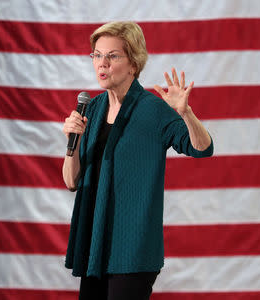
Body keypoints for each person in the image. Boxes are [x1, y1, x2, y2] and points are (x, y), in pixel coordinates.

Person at [62, 21, 213, 300]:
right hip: (95, 243)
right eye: (97, 55)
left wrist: (186, 113)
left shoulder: (153, 110)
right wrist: (74, 142)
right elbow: (72, 181)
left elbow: (202, 148)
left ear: (133, 63)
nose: (102, 64)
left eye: (112, 56)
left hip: (133, 247)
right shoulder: (91, 109)